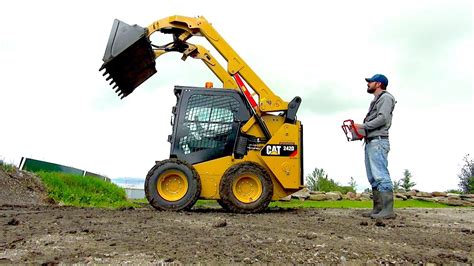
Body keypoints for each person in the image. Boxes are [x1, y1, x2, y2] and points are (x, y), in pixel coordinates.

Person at [355, 74, 396, 219]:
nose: (368, 84)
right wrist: (360, 132)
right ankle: (378, 209)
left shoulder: (386, 97)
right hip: (371, 140)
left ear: (378, 84)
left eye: (370, 82)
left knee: (380, 174)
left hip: (378, 141)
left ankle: (388, 210)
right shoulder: (376, 100)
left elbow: (383, 118)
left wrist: (363, 126)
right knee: (373, 176)